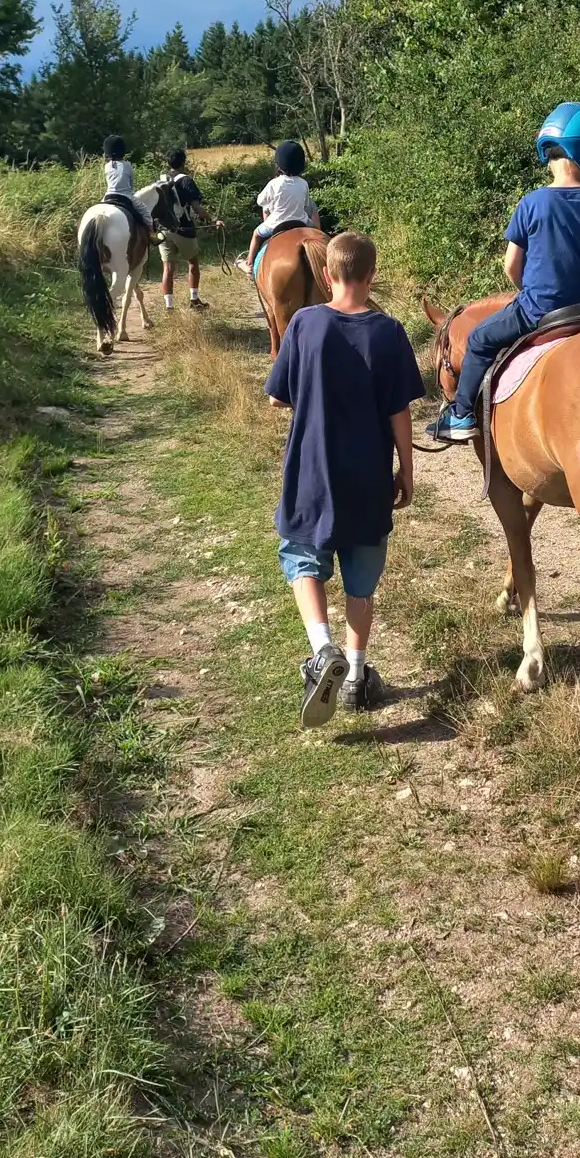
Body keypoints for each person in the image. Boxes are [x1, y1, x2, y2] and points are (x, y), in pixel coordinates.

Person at [264, 230, 426, 725]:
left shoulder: (304, 324)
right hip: (369, 476)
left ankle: (322, 649)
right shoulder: (390, 331)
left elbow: (278, 396)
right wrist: (407, 471)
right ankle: (355, 676)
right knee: (362, 583)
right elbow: (400, 412)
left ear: (326, 274)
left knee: (301, 555)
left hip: (311, 471)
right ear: (371, 275)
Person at [428, 102, 580, 443]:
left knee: (479, 339)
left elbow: (510, 265)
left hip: (540, 309)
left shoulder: (531, 203)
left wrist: (529, 289)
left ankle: (460, 416)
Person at [155, 147, 221, 312]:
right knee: (193, 263)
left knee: (167, 268)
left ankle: (169, 307)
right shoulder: (186, 181)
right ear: (183, 162)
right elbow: (197, 209)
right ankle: (194, 300)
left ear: (168, 163)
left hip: (164, 229)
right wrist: (213, 220)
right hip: (184, 229)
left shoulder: (160, 180)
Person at [242, 140, 320, 274]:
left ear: (279, 164)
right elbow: (306, 204)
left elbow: (260, 201)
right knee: (319, 234)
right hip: (301, 221)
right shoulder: (304, 183)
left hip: (276, 222)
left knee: (256, 234)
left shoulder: (274, 183)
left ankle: (249, 263)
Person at [101, 134, 147, 240]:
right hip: (126, 196)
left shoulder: (107, 166)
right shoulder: (127, 165)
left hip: (108, 196)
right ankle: (152, 234)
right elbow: (131, 184)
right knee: (146, 212)